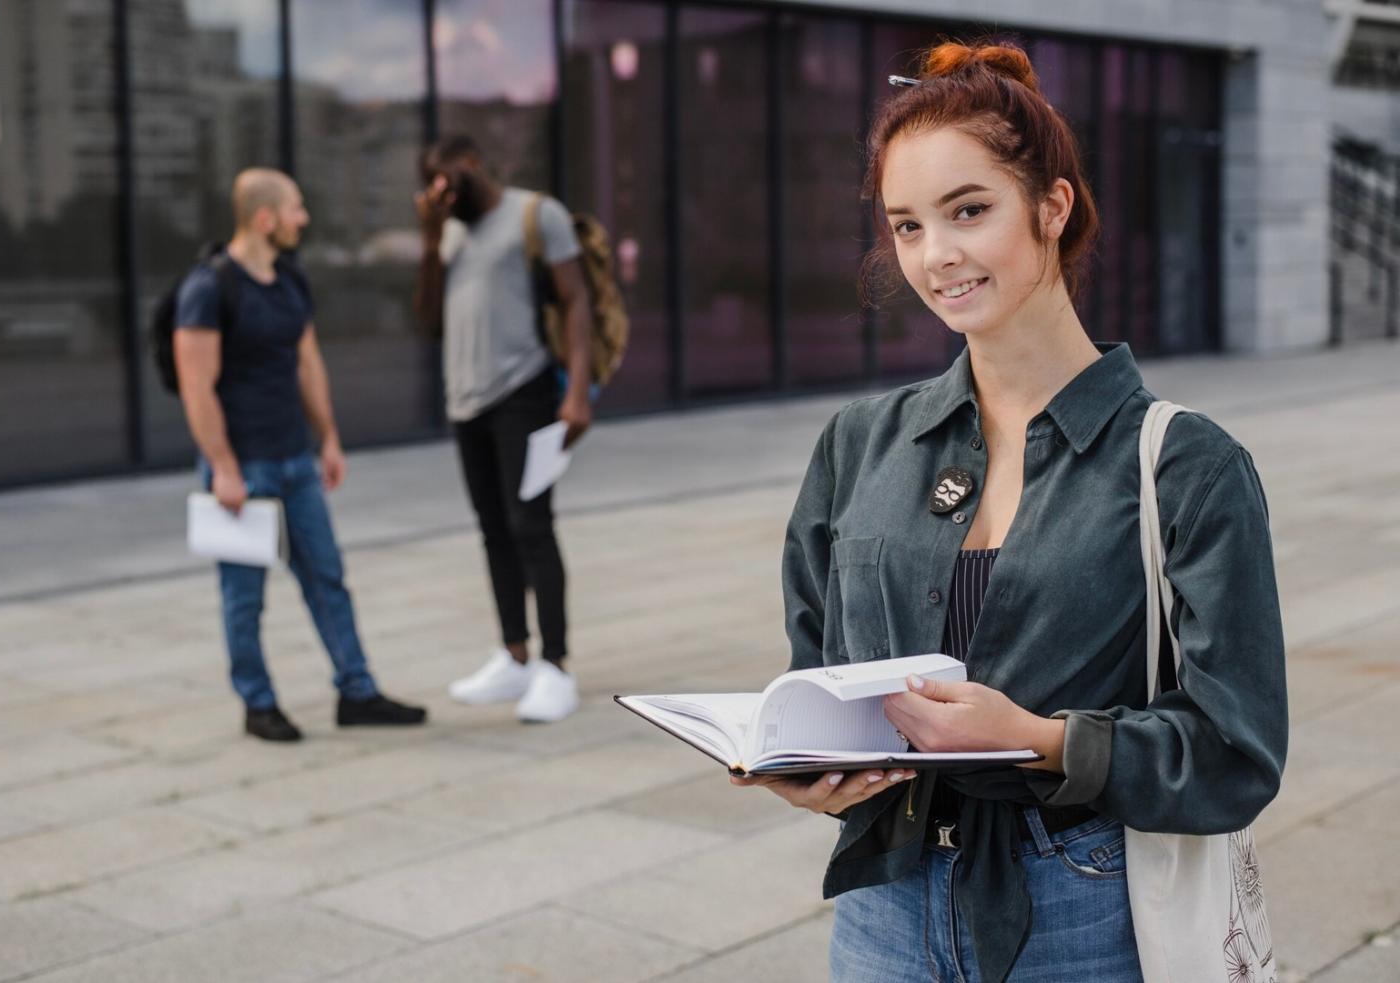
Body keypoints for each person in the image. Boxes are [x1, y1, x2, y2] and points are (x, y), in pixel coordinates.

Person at [731, 42, 1287, 982]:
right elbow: (816, 674)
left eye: (969, 210)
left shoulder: (1188, 464)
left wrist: (1039, 737)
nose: (935, 255)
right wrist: (804, 764)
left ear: (1052, 207)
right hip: (883, 906)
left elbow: (1237, 752)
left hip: (1085, 906)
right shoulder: (859, 443)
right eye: (907, 226)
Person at [175, 167, 428, 742]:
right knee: (244, 597)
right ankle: (258, 703)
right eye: (296, 208)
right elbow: (196, 388)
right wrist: (224, 468)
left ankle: (357, 692)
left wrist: (328, 438)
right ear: (265, 218)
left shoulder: (290, 278)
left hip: (295, 460)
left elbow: (307, 363)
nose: (303, 219)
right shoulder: (208, 288)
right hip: (243, 468)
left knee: (327, 578)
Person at [412, 136, 594, 724]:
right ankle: (514, 654)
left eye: (444, 181)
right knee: (493, 530)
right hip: (466, 402)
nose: (440, 195)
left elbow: (576, 300)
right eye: (429, 186)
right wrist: (430, 239)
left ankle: (555, 665)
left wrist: (576, 392)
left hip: (524, 390)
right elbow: (428, 320)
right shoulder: (449, 232)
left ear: (469, 165)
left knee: (531, 526)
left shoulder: (535, 214)